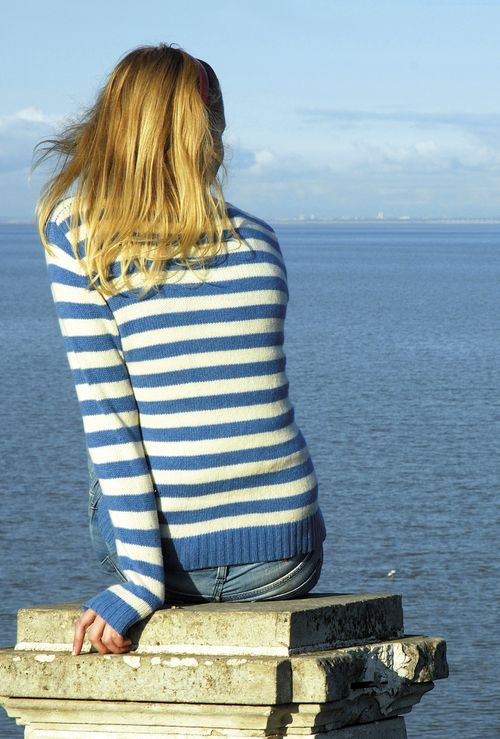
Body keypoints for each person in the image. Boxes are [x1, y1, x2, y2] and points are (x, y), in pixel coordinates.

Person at [32, 43, 326, 657]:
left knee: (123, 416)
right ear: (209, 131)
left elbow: (111, 423)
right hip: (287, 557)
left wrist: (140, 585)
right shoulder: (260, 242)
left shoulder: (80, 232)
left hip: (170, 561)